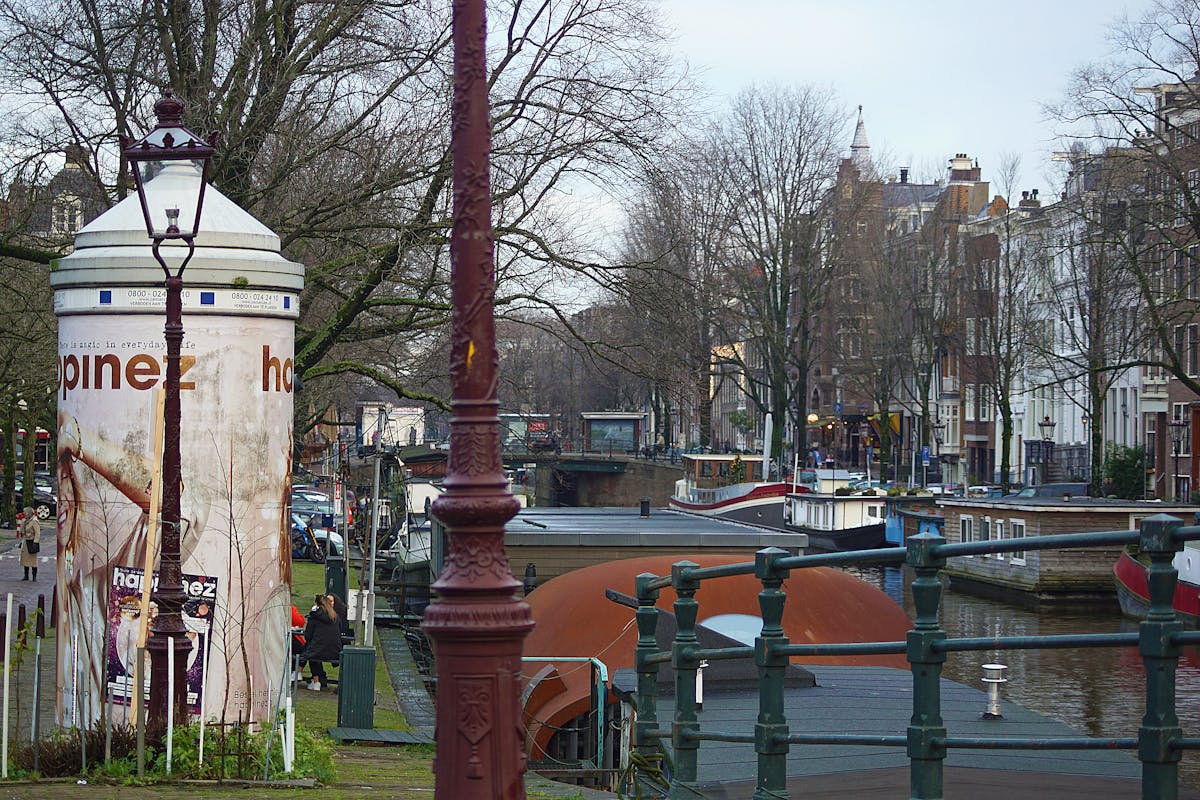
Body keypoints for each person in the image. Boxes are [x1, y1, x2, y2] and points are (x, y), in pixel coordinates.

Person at [300, 594, 341, 691]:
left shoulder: (314, 616)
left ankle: (304, 675)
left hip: (318, 651)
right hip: (335, 652)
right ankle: (314, 681)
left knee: (311, 651)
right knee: (313, 650)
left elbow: (308, 636)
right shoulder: (336, 617)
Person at [20, 505, 39, 581]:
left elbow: (37, 533)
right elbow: (22, 531)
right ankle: (26, 575)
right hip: (26, 541)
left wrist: (36, 542)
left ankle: (34, 577)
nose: (24, 514)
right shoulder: (25, 521)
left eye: (25, 512)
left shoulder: (34, 521)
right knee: (25, 559)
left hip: (31, 541)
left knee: (33, 560)